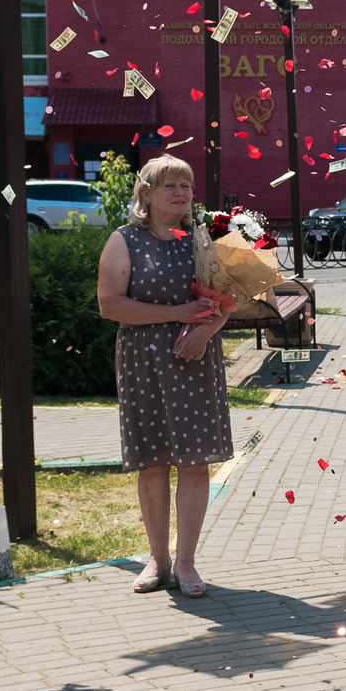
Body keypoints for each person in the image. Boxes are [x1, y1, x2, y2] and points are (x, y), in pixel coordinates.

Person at [97, 155, 232, 597]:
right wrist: (178, 314)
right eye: (170, 185)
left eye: (186, 185)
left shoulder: (204, 239)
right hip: (145, 363)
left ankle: (187, 563)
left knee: (195, 464)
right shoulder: (124, 240)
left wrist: (206, 331)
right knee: (153, 463)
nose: (180, 192)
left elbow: (228, 299)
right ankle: (158, 558)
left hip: (195, 360)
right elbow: (110, 305)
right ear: (147, 194)